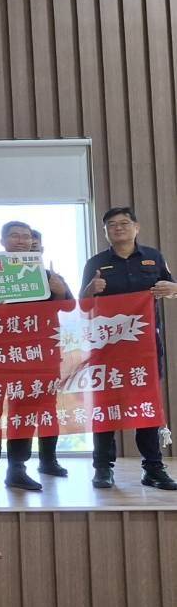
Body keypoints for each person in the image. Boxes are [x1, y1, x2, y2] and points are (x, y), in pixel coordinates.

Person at [0, 220, 71, 491]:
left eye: (26, 236)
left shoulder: (46, 274)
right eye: (14, 236)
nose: (22, 241)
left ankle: (17, 469)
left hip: (33, 358)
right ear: (3, 241)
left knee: (24, 414)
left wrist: (60, 292)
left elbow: (70, 307)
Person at [82, 206, 176, 490]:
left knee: (146, 403)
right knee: (106, 406)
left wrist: (171, 289)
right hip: (106, 347)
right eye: (112, 224)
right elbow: (82, 306)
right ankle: (103, 468)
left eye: (124, 223)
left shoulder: (153, 257)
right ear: (105, 232)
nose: (119, 228)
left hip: (144, 347)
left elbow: (171, 287)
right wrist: (91, 290)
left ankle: (153, 468)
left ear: (136, 227)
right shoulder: (95, 263)